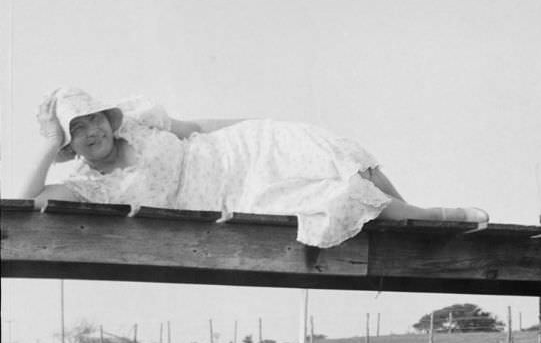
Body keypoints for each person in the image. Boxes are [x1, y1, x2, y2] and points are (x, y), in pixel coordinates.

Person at [22, 87, 489, 250]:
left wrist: (257, 124)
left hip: (231, 149)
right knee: (326, 196)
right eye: (76, 129)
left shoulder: (139, 123)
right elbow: (26, 205)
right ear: (70, 143)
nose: (91, 131)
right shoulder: (89, 185)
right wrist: (47, 147)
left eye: (94, 119)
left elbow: (195, 126)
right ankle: (424, 219)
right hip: (224, 194)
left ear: (108, 117)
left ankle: (408, 210)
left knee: (320, 142)